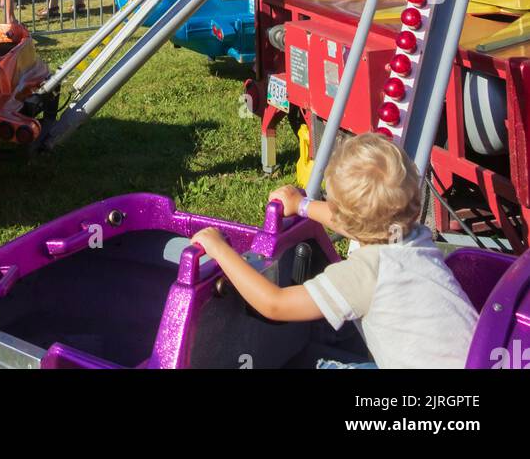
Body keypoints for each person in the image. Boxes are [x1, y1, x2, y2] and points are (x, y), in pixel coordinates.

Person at [189, 134, 478, 370]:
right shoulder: (412, 236)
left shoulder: (363, 276)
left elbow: (274, 305)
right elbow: (365, 224)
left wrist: (221, 250)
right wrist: (303, 207)